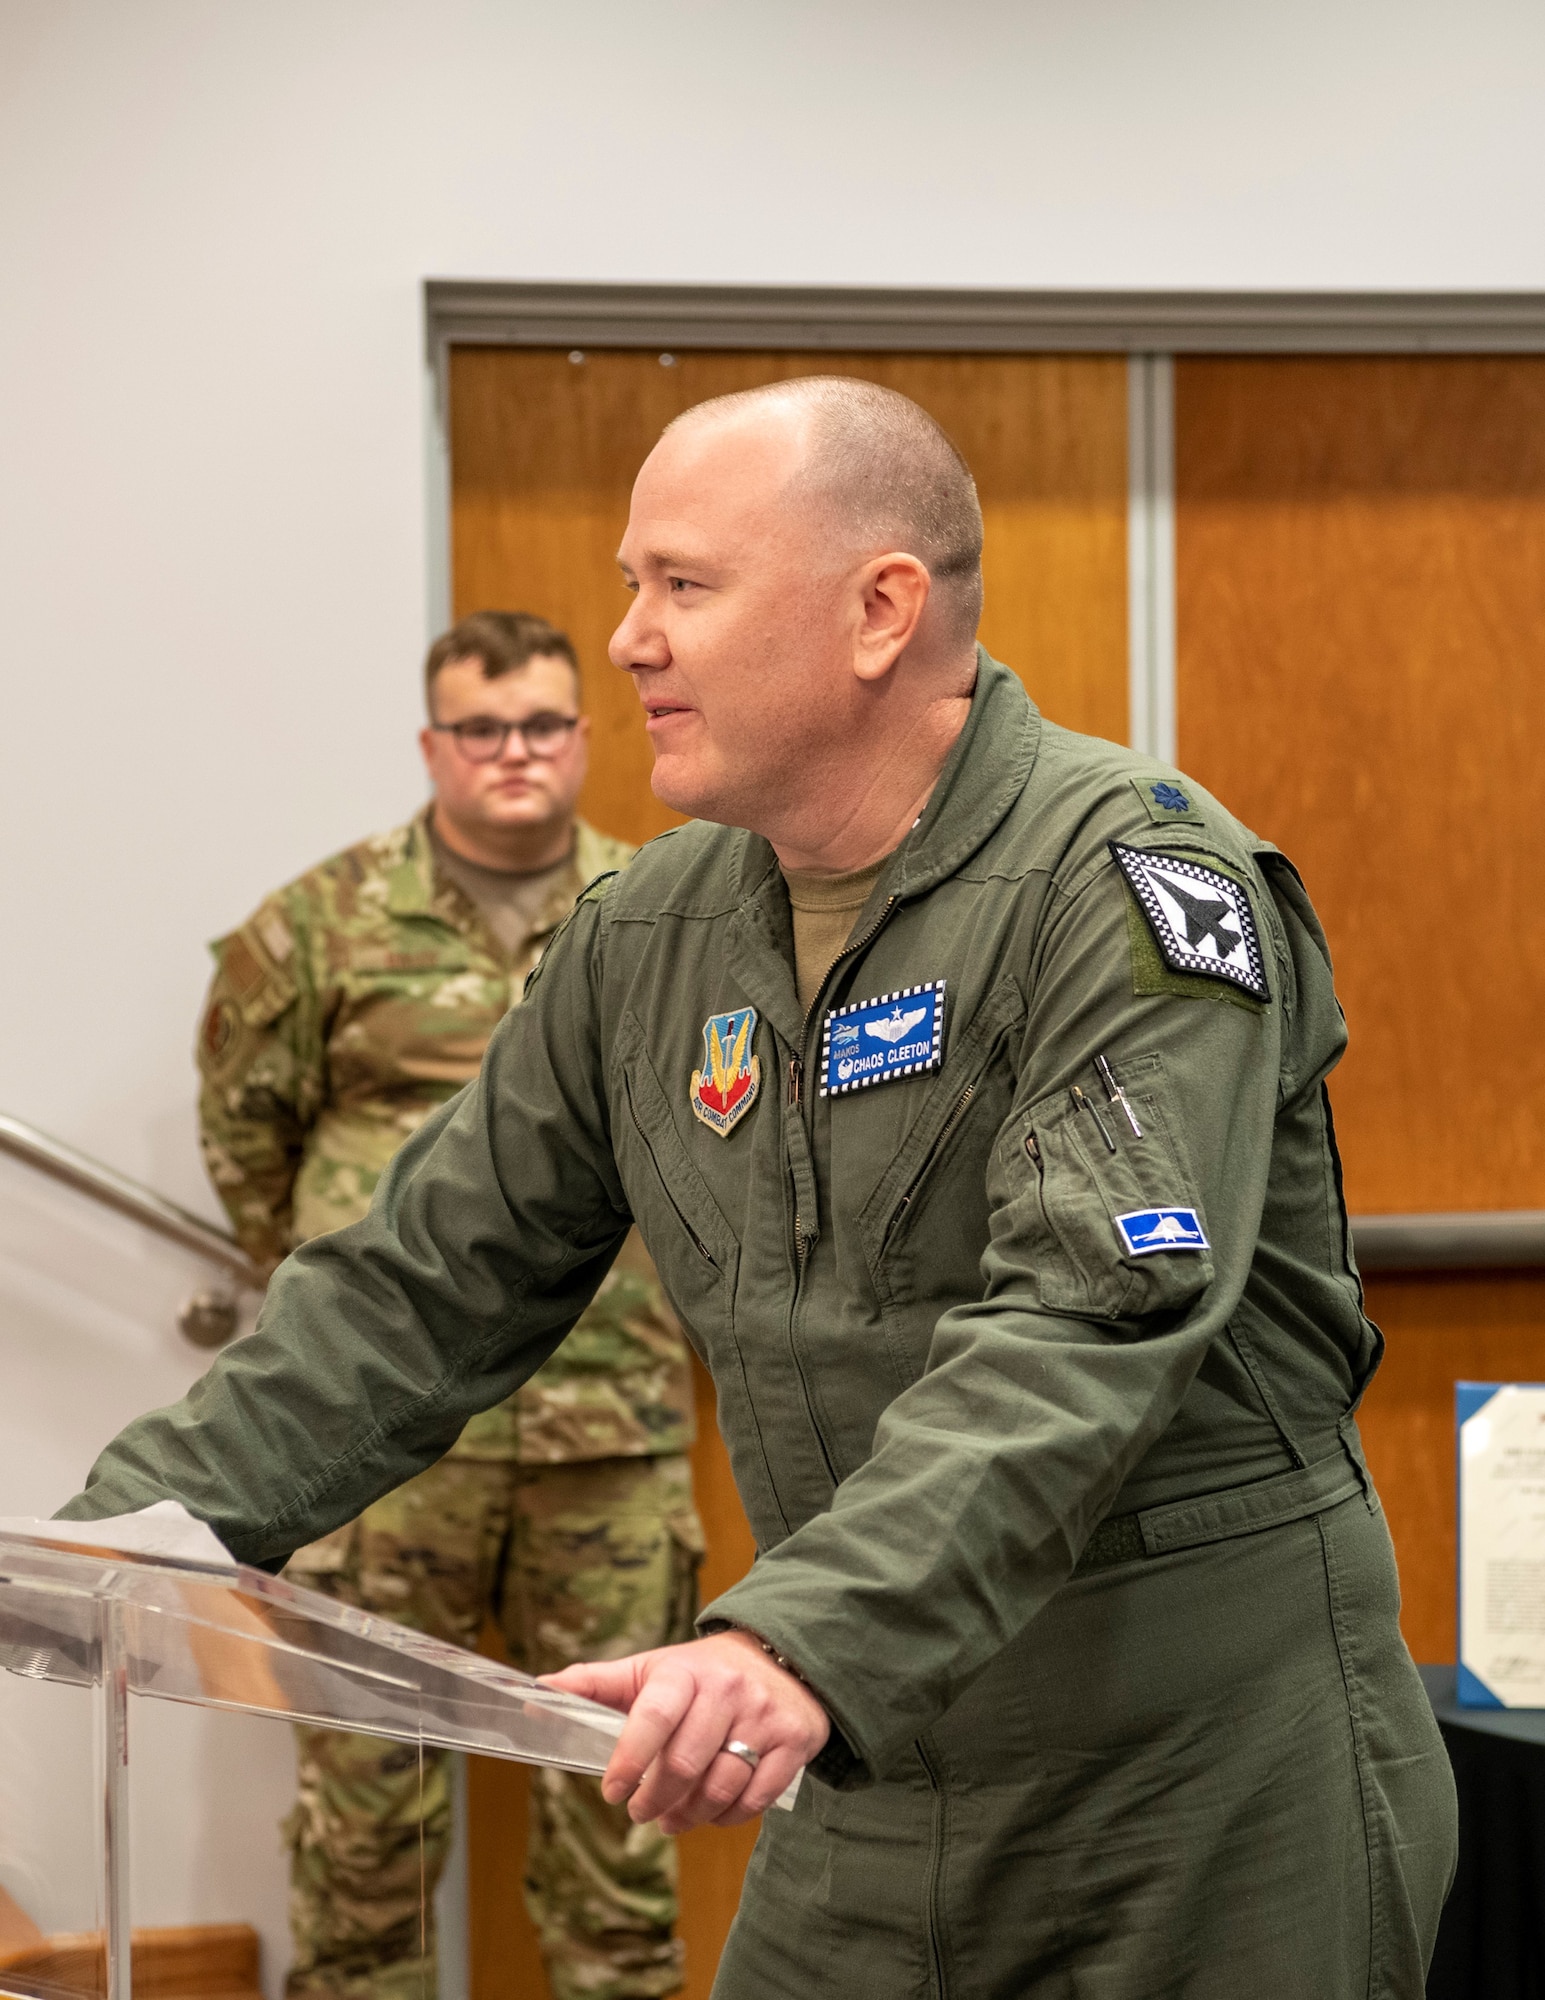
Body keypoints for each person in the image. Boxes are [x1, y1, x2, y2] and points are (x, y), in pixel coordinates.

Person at [65, 381, 1457, 1999]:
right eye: (629, 585)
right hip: (865, 1748)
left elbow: (1088, 1316)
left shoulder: (1129, 885)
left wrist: (795, 1640)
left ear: (880, 611)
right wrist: (129, 1537)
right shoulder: (648, 930)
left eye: (682, 585)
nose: (629, 639)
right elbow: (425, 1278)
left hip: (1188, 1777)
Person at [194, 609, 701, 2000]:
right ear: (433, 745)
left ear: (583, 736)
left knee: (622, 1817)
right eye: (480, 729)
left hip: (607, 1439)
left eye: (541, 723)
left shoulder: (664, 912)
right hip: (380, 1459)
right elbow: (252, 1142)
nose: (513, 754)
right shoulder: (317, 926)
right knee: (366, 1833)